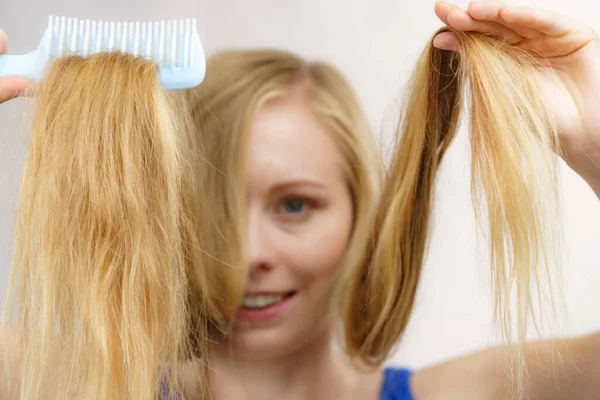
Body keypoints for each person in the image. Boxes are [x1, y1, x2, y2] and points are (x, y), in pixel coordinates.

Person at [1, 1, 599, 399]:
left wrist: (594, 145)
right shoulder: (64, 381)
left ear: (359, 214)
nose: (250, 252)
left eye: (294, 206)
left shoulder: (475, 391)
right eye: (213, 204)